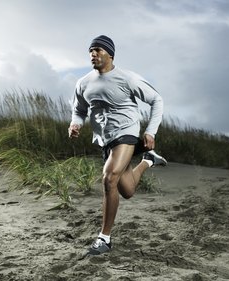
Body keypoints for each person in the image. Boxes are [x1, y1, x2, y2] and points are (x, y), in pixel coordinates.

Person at [68, 35, 167, 255]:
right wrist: (75, 124)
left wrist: (150, 131)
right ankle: (148, 160)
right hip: (106, 139)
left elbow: (156, 100)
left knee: (109, 177)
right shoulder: (83, 83)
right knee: (127, 190)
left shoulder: (127, 78)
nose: (93, 54)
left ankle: (104, 239)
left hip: (127, 132)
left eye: (98, 50)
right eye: (91, 50)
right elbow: (79, 110)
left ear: (110, 54)